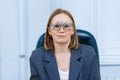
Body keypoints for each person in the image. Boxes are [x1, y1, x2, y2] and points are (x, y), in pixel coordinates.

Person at [29, 8, 101, 80]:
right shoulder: (37, 57)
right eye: (56, 26)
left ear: (73, 30)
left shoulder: (88, 54)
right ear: (49, 31)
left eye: (66, 26)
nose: (61, 30)